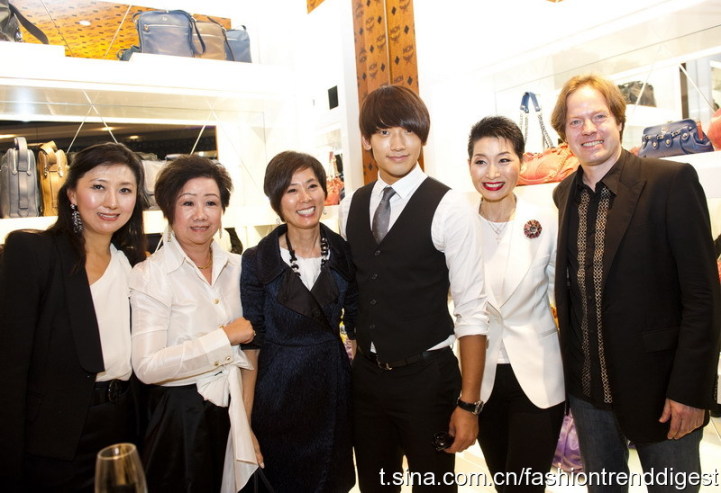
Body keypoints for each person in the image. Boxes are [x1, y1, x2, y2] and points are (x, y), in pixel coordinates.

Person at [550, 74, 721, 492]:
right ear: (564, 134)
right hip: (589, 398)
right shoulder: (564, 194)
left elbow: (703, 298)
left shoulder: (670, 183)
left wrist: (691, 392)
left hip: (662, 393)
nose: (588, 130)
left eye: (599, 117)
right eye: (576, 122)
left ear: (619, 121)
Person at [340, 84, 488, 492]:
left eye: (408, 130)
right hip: (367, 380)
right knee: (375, 485)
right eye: (384, 132)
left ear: (422, 136)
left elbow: (472, 311)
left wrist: (468, 403)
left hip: (427, 378)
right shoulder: (351, 205)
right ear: (367, 141)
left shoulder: (450, 206)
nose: (398, 143)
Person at [0, 142, 147, 492]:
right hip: (57, 438)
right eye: (98, 187)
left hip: (125, 426)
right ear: (71, 194)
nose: (112, 202)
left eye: (125, 190)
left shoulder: (133, 263)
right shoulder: (34, 253)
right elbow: (8, 370)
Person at [130, 156, 258, 493]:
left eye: (211, 203)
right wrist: (223, 338)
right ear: (169, 210)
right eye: (188, 203)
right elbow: (147, 366)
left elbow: (253, 352)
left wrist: (247, 423)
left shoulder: (240, 268)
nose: (201, 214)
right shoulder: (151, 275)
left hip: (235, 410)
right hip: (181, 421)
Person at [241, 150, 357, 492]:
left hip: (332, 391)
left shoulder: (343, 253)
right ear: (276, 201)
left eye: (312, 186)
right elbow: (251, 347)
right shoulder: (258, 261)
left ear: (325, 191)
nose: (305, 198)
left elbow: (357, 318)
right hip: (278, 395)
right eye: (292, 190)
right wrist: (244, 423)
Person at [467, 116, 565, 492]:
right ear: (469, 165)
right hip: (481, 379)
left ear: (521, 163)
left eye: (504, 159)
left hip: (538, 377)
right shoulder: (458, 227)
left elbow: (562, 297)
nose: (492, 172)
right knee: (503, 483)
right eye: (481, 161)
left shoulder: (546, 221)